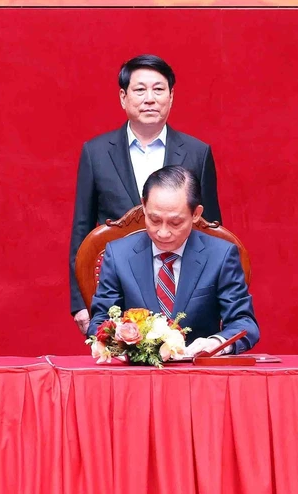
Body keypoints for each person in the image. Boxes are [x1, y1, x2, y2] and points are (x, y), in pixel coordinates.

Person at [69, 54, 223, 335]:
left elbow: (212, 230)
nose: (149, 99)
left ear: (171, 96)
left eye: (158, 89)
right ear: (123, 97)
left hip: (183, 290)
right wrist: (80, 303)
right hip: (119, 292)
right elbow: (82, 230)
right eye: (140, 90)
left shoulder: (197, 152)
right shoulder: (96, 152)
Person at [88, 166, 258, 355]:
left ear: (196, 214)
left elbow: (244, 323)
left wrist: (216, 343)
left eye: (175, 223)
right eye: (154, 219)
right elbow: (101, 321)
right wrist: (117, 342)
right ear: (144, 205)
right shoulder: (118, 254)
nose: (163, 232)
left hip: (197, 372)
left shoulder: (221, 255)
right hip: (136, 374)